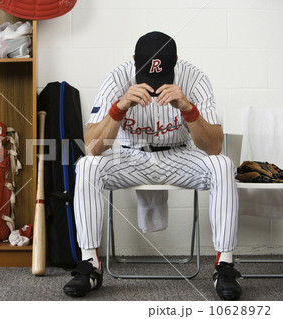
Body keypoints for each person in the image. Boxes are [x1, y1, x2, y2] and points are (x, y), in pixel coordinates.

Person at [63, 31, 242, 301]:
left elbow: (213, 146)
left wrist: (187, 107)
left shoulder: (195, 78)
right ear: (134, 61)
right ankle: (91, 265)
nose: (156, 84)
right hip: (129, 156)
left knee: (222, 164)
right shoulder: (117, 77)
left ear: (176, 62)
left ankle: (225, 265)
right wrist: (119, 107)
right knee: (87, 165)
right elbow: (92, 146)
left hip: (179, 155)